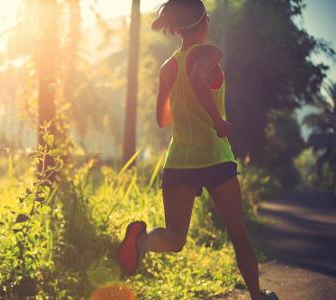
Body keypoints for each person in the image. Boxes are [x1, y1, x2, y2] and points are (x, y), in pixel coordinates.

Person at [116, 1, 278, 299]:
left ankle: (142, 242)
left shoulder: (167, 66)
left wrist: (183, 100)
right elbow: (197, 79)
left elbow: (162, 119)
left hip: (179, 160)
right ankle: (258, 296)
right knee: (238, 231)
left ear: (176, 29)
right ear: (204, 23)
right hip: (214, 156)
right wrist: (218, 121)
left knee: (175, 237)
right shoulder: (209, 53)